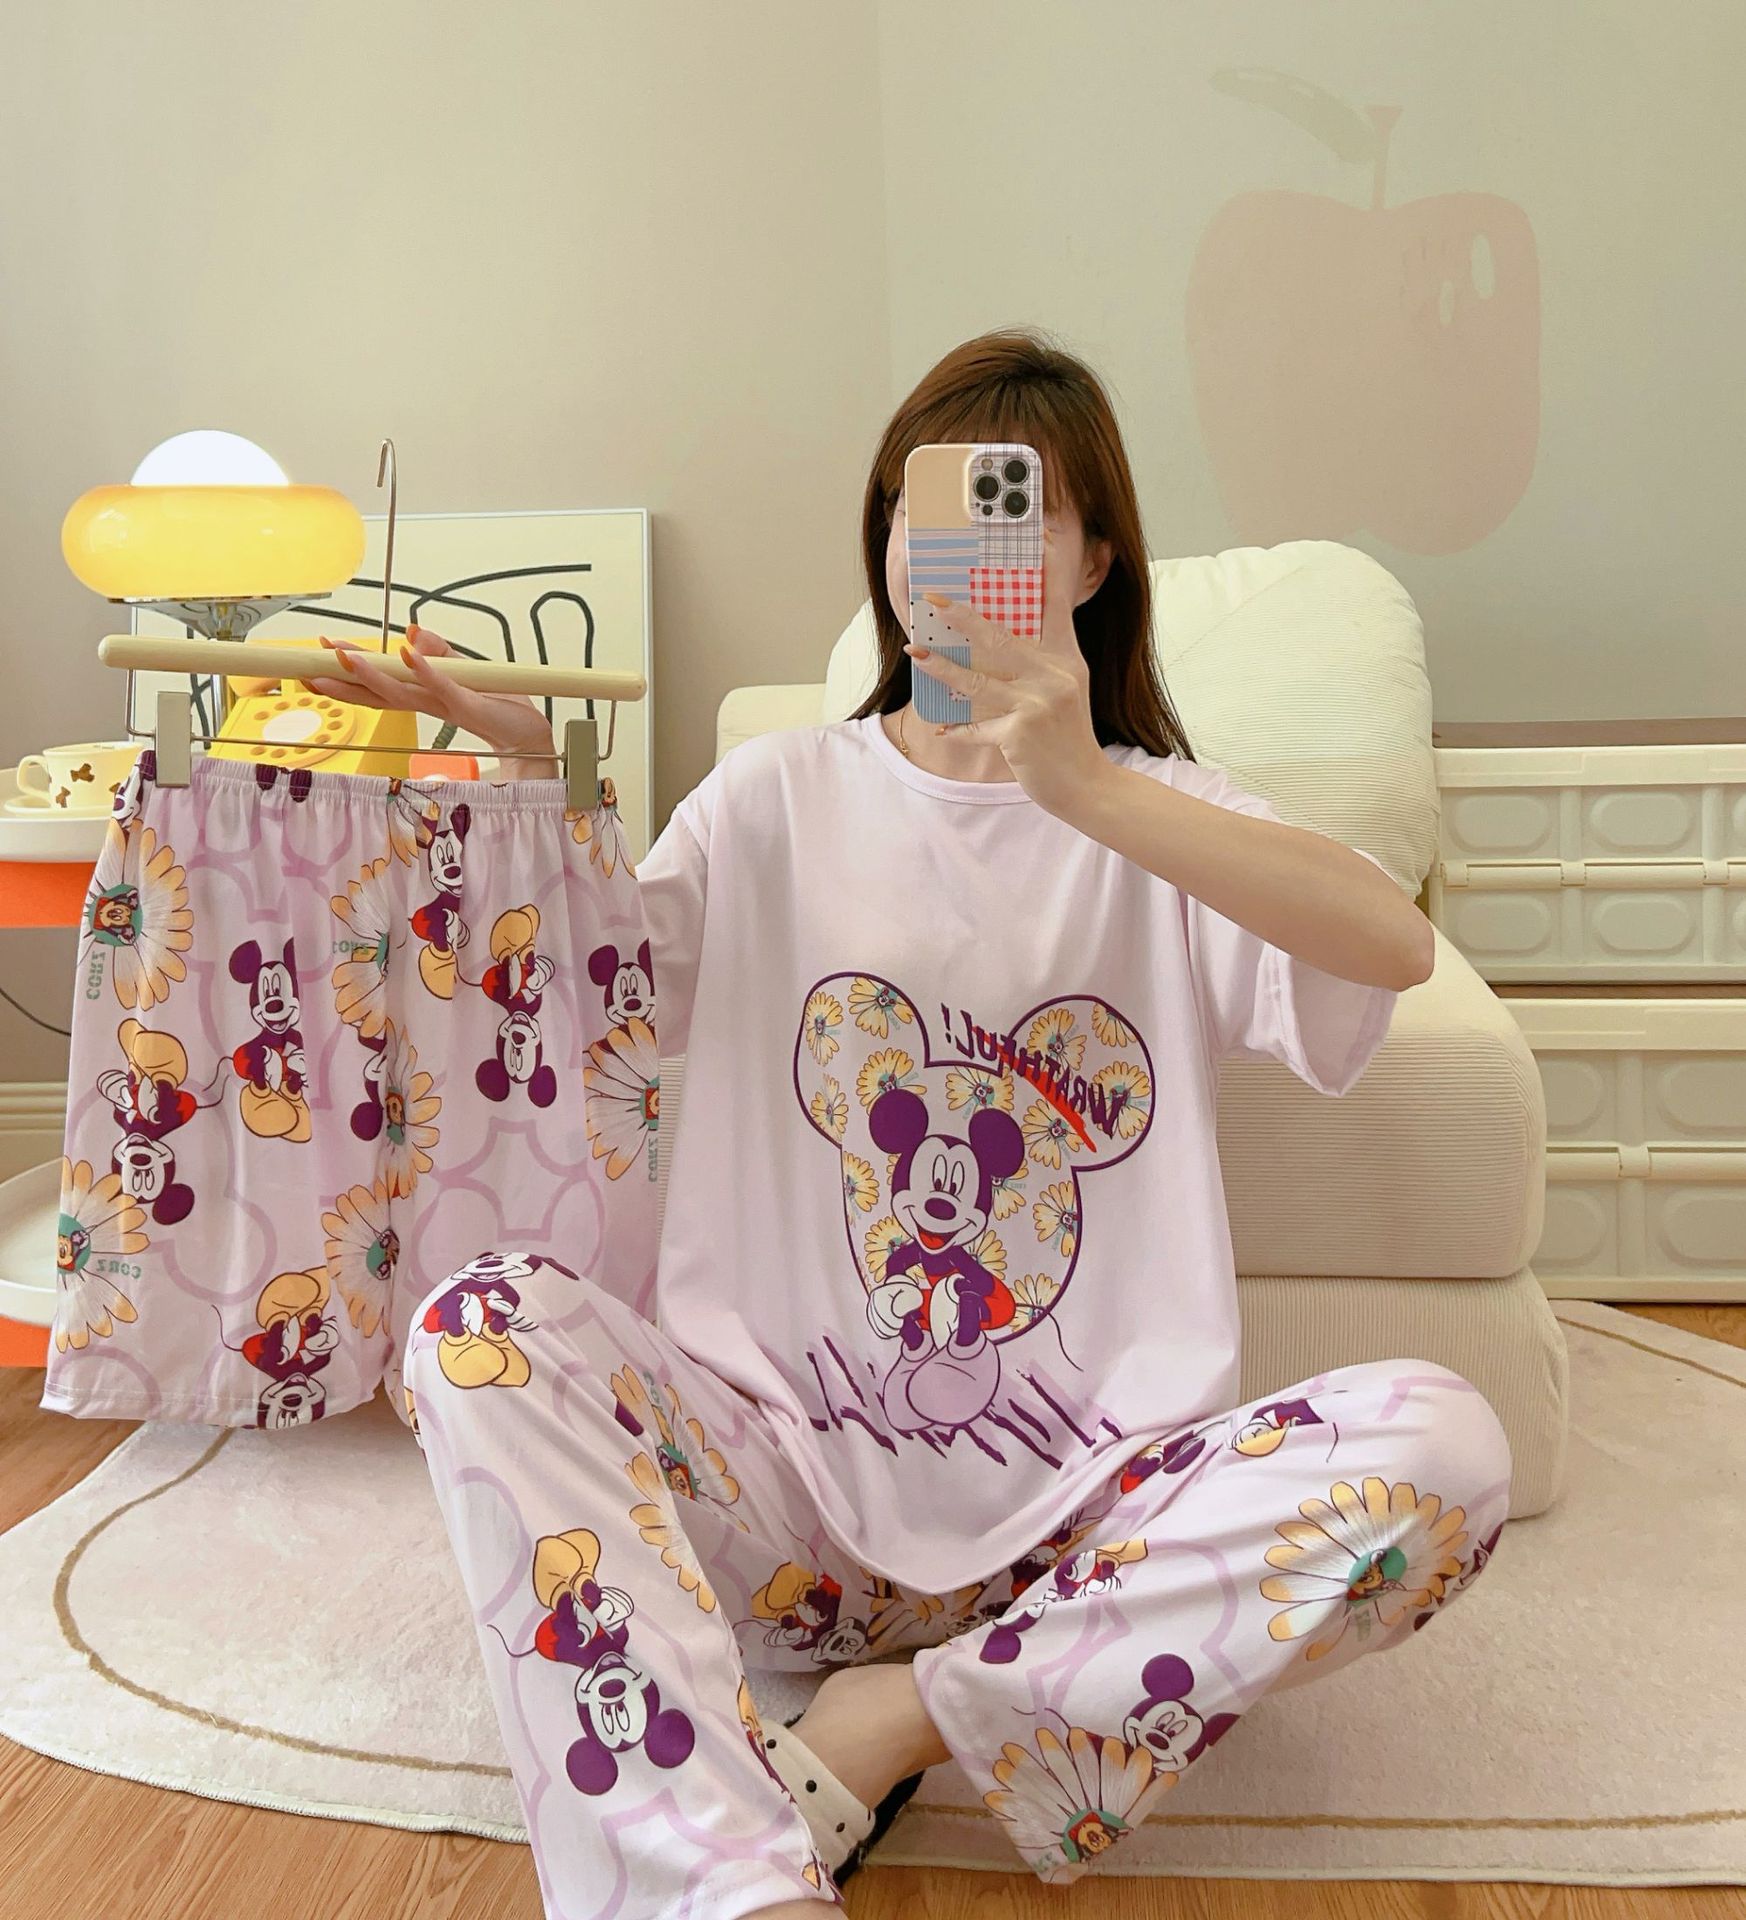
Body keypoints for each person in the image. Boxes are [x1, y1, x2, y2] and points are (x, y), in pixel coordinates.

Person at [308, 328, 1511, 1920]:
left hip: (1087, 1533)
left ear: (1093, 558)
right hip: (774, 1509)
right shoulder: (771, 796)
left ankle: (903, 1718)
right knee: (475, 1330)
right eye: (910, 511)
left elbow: (1389, 946)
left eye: (1012, 511)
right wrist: (540, 774)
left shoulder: (1169, 820)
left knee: (1444, 1448)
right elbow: (601, 996)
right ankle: (720, 1885)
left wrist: (1086, 789)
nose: (944, 553)